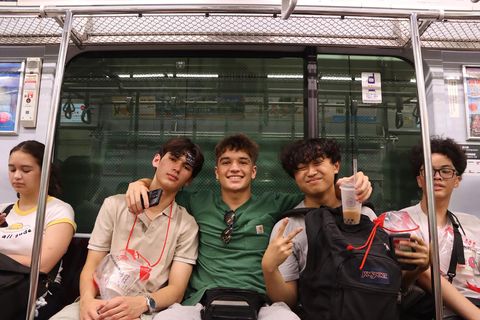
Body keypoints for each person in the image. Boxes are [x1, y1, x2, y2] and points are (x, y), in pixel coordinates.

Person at [126, 134, 372, 320]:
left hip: (262, 303)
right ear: (216, 172)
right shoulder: (196, 201)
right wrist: (141, 183)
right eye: (226, 162)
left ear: (253, 171)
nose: (234, 168)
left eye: (243, 162)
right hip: (201, 300)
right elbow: (167, 189)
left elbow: (318, 200)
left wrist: (347, 188)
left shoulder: (277, 204)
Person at [261, 138, 430, 318]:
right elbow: (288, 301)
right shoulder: (289, 225)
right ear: (294, 176)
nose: (310, 172)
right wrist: (269, 268)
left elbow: (390, 284)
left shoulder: (366, 214)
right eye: (301, 167)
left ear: (336, 166)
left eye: (317, 162)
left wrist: (417, 268)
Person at [51, 137, 204, 320]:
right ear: (157, 160)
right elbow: (92, 264)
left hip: (149, 309)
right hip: (101, 299)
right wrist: (86, 300)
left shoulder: (187, 225)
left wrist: (142, 303)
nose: (177, 168)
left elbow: (176, 290)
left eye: (186, 167)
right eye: (173, 158)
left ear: (189, 181)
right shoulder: (114, 205)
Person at [401, 137, 480, 320]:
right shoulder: (401, 221)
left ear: (457, 180)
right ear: (420, 180)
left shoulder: (473, 224)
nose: (437, 177)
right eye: (429, 170)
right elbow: (424, 276)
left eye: (445, 171)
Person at [0, 140, 76, 320]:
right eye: (12, 169)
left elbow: (43, 264)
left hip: (35, 289)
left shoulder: (58, 210)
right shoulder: (4, 209)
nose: (17, 176)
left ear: (45, 172)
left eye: (26, 170)